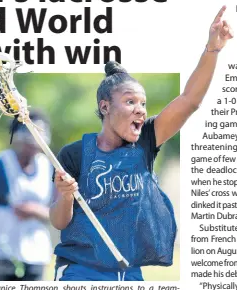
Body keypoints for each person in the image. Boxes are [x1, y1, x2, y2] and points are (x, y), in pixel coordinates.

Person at [50, 6, 233, 281]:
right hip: (81, 270)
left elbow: (189, 101)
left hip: (130, 271)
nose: (140, 110)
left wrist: (212, 50)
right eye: (130, 102)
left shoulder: (146, 140)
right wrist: (66, 196)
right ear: (105, 106)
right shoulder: (74, 154)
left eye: (143, 103)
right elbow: (59, 220)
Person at [0, 110, 53, 281]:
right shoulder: (0, 166)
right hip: (3, 255)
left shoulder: (48, 168)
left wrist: (35, 211)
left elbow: (59, 213)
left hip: (36, 255)